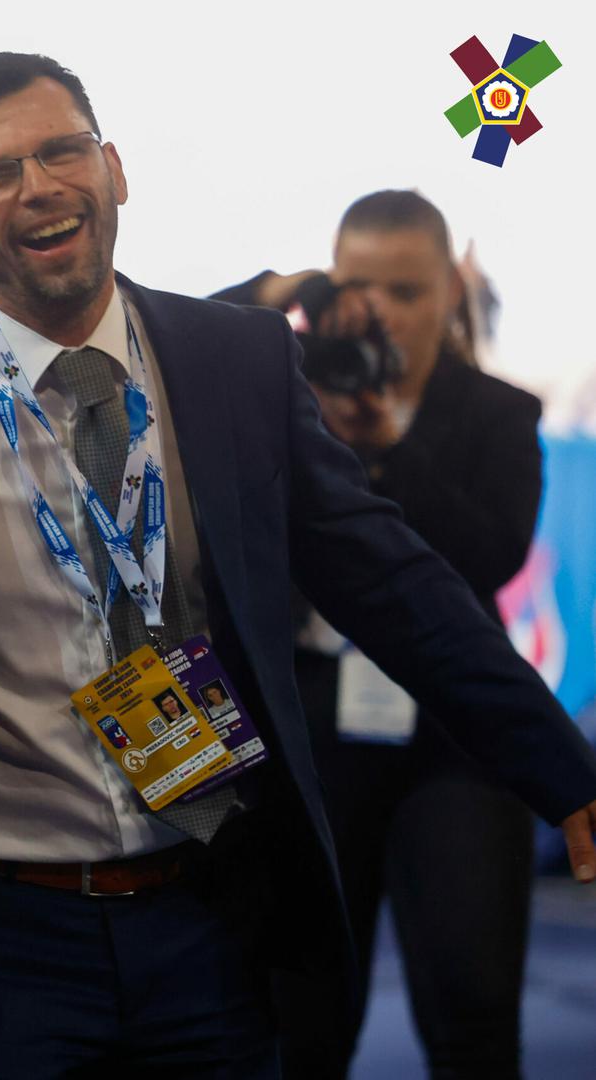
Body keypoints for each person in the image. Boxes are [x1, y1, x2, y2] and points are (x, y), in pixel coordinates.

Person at [0, 52, 596, 1078]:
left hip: (214, 911)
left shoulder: (238, 358)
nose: (38, 186)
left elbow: (390, 580)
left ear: (113, 169)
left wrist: (561, 770)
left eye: (62, 151)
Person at [222, 190, 546, 1078]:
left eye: (407, 291)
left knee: (473, 1006)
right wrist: (276, 291)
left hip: (453, 738)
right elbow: (171, 345)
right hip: (309, 734)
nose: (383, 312)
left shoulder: (499, 413)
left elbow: (491, 556)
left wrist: (390, 444)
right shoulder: (282, 389)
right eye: (360, 287)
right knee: (301, 1021)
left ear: (450, 290)